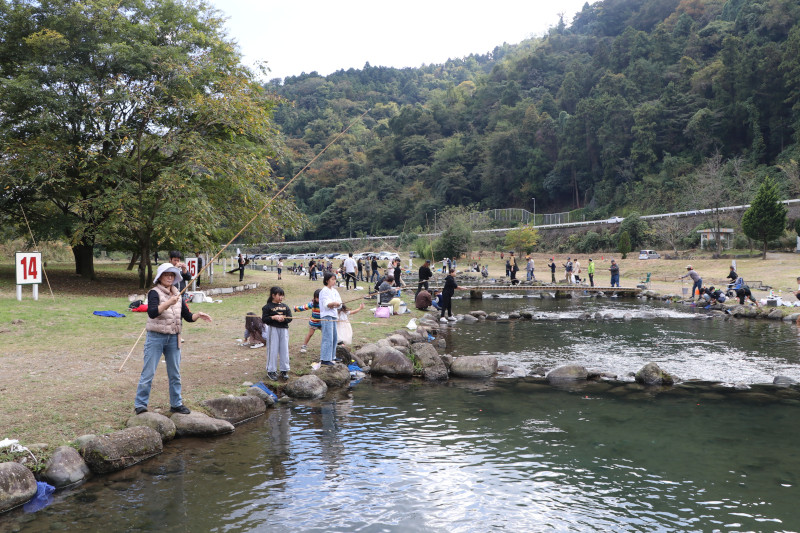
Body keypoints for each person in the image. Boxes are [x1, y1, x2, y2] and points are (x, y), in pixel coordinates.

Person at [134, 263, 212, 415]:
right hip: (155, 338)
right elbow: (152, 313)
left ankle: (176, 404)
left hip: (174, 338)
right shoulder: (154, 293)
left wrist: (198, 315)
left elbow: (188, 317)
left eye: (172, 275)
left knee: (175, 373)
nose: (169, 277)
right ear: (160, 277)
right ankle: (140, 405)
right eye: (166, 275)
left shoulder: (178, 294)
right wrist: (169, 302)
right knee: (148, 372)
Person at [262, 286, 292, 381]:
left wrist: (284, 318)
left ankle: (284, 370)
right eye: (279, 295)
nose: (281, 297)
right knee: (273, 349)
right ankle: (271, 370)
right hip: (273, 329)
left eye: (282, 295)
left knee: (284, 349)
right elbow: (264, 319)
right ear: (273, 295)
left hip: (284, 330)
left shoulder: (285, 306)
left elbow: (290, 318)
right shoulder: (267, 307)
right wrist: (273, 317)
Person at [319, 272, 342, 366]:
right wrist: (333, 304)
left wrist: (337, 304)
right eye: (332, 279)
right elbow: (326, 304)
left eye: (335, 279)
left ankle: (332, 356)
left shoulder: (335, 291)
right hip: (326, 316)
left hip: (334, 315)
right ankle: (325, 358)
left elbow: (339, 302)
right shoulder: (324, 291)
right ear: (327, 280)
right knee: (327, 337)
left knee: (334, 337)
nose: (334, 281)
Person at [293, 289, 322, 354]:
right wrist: (296, 308)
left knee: (326, 334)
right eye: (317, 298)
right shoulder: (312, 303)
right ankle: (304, 346)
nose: (319, 299)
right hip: (314, 322)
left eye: (320, 298)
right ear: (314, 298)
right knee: (310, 334)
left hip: (322, 322)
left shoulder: (325, 304)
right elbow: (304, 307)